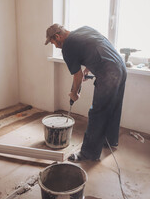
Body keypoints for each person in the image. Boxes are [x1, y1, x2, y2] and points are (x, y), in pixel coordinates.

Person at [45, 24, 127, 162]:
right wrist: (88, 68)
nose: (55, 46)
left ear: (58, 37)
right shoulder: (85, 30)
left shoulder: (67, 46)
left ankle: (89, 153)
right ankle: (110, 141)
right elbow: (97, 47)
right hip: (120, 67)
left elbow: (76, 76)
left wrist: (74, 93)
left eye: (53, 43)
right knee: (114, 107)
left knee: (97, 113)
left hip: (108, 73)